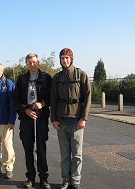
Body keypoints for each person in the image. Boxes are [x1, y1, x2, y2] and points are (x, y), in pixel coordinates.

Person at [51, 48, 91, 189]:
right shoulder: (57, 78)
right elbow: (53, 100)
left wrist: (83, 118)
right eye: (62, 58)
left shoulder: (81, 75)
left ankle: (75, 181)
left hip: (76, 121)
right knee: (64, 154)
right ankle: (66, 180)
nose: (65, 60)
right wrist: (54, 119)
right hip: (61, 121)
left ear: (71, 59)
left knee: (77, 154)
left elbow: (87, 98)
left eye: (67, 58)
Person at [13, 53, 52, 189]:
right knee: (28, 149)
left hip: (41, 117)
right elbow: (16, 100)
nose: (32, 64)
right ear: (26, 64)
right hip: (26, 118)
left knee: (41, 148)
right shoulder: (22, 79)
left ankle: (44, 179)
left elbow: (52, 97)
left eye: (34, 62)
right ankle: (30, 178)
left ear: (38, 62)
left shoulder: (46, 78)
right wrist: (25, 110)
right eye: (29, 62)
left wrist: (42, 103)